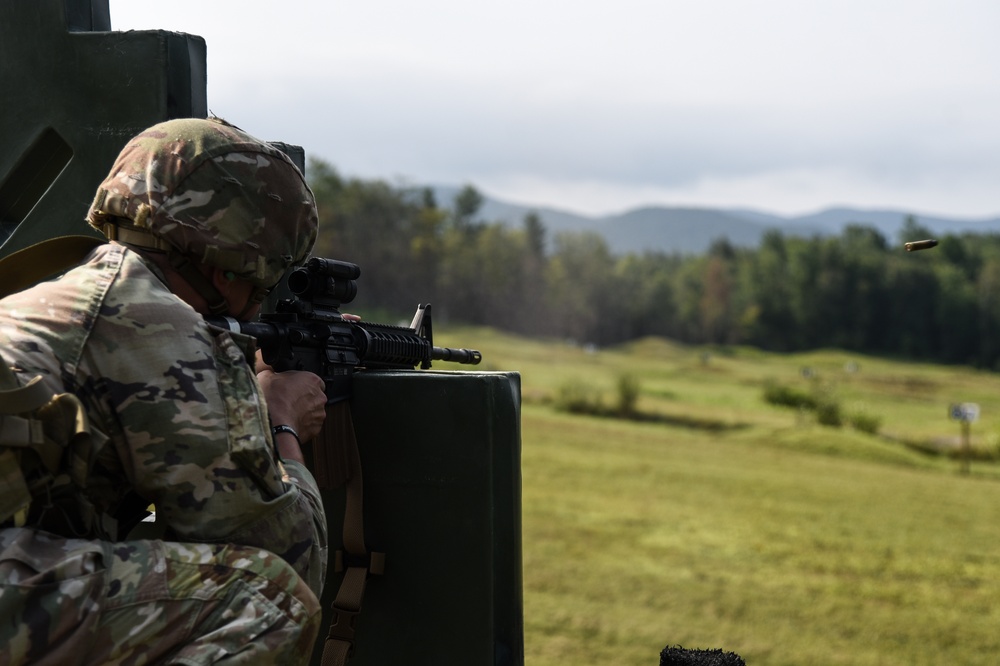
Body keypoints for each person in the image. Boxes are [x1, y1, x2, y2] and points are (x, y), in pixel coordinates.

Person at [0, 117, 329, 665]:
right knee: (267, 600)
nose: (258, 299)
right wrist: (280, 419)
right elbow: (289, 554)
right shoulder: (157, 326)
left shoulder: (47, 295)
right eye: (262, 281)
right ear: (230, 265)